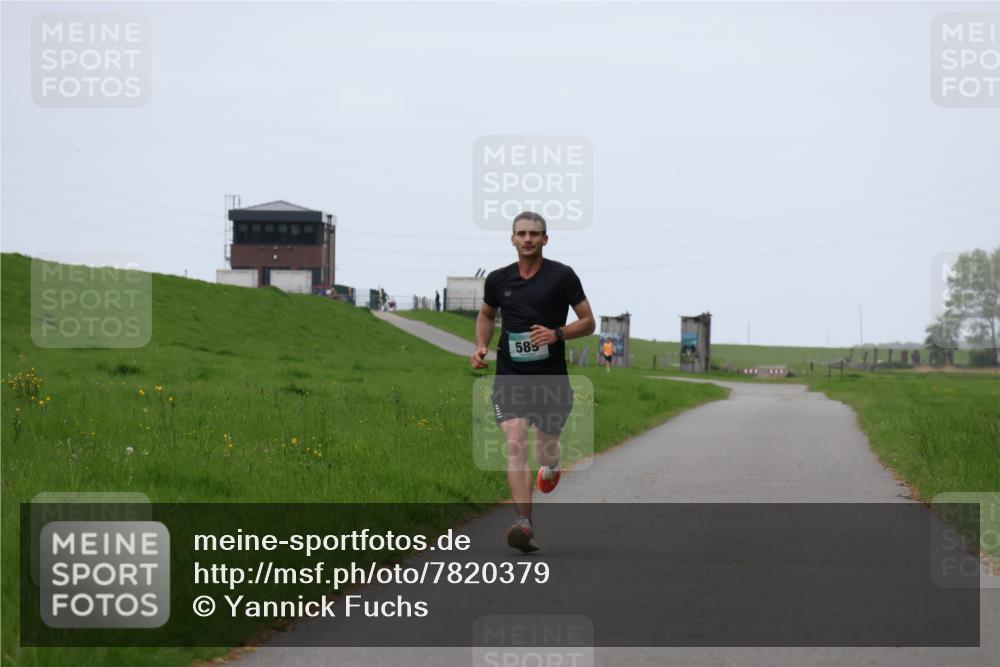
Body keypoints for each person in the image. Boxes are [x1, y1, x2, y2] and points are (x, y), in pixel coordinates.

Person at [470, 211, 595, 552]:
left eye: (534, 234)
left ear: (545, 239)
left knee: (544, 449)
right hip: (510, 376)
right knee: (515, 442)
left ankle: (552, 464)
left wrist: (558, 333)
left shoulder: (562, 276)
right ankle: (523, 523)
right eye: (522, 233)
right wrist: (481, 345)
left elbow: (588, 322)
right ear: (512, 239)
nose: (528, 239)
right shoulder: (498, 280)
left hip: (550, 378)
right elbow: (486, 314)